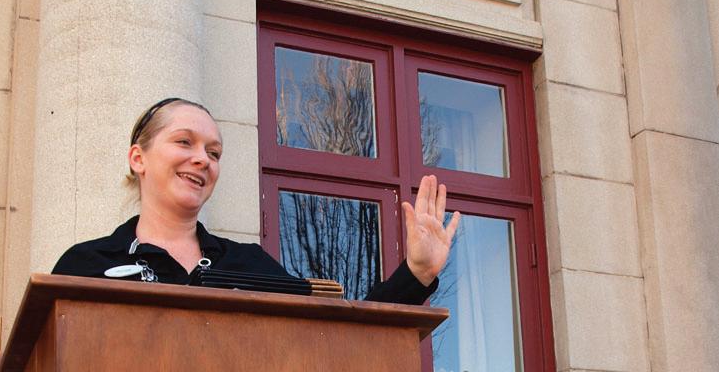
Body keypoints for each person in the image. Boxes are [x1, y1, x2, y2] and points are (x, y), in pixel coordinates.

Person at [53, 97, 460, 303]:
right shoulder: (85, 266)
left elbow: (340, 338)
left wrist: (417, 273)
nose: (203, 159)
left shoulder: (248, 264)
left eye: (214, 152)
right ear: (138, 158)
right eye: (184, 142)